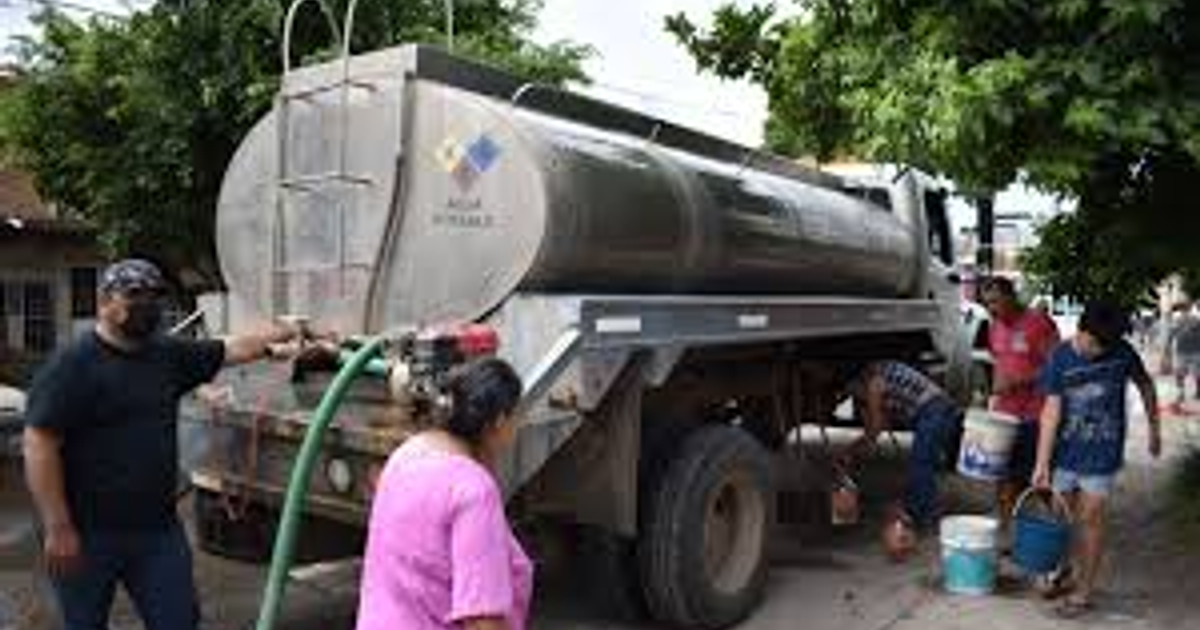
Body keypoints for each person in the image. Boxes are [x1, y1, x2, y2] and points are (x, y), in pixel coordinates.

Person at [22, 258, 307, 630]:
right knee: (85, 623)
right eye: (134, 294)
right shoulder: (72, 365)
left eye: (154, 295)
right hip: (88, 533)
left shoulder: (166, 355)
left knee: (178, 620)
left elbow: (231, 348)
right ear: (104, 302)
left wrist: (285, 332)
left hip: (156, 530)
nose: (146, 304)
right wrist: (58, 527)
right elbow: (39, 444)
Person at [356, 357, 532, 630]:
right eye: (517, 417)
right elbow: (482, 620)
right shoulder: (474, 489)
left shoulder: (406, 454)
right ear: (499, 422)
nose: (519, 426)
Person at [1032, 301, 1160, 618]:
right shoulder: (1060, 357)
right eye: (1094, 344)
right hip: (1064, 455)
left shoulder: (1122, 352)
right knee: (1059, 517)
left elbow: (1145, 384)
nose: (1099, 351)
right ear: (1081, 330)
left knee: (1090, 519)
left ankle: (1083, 593)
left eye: (1105, 347)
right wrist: (1042, 463)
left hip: (1102, 454)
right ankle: (1063, 571)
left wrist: (1154, 428)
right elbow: (1051, 411)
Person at [836, 361, 964, 552]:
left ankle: (920, 521)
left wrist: (850, 451)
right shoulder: (879, 373)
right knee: (922, 465)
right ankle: (921, 517)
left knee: (920, 466)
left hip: (935, 410)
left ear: (855, 383)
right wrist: (855, 451)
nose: (855, 397)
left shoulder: (874, 382)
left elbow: (875, 428)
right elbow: (875, 429)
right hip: (939, 409)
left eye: (853, 392)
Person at [978, 277, 1060, 534]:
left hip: (1035, 416)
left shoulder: (1039, 323)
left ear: (1011, 297)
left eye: (995, 302)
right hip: (1005, 417)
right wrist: (992, 400)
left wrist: (1019, 381)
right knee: (1002, 477)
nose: (991, 309)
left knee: (1039, 480)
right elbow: (1000, 364)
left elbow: (1057, 368)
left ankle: (1054, 529)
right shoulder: (994, 327)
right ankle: (1007, 533)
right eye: (986, 303)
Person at [1163, 303, 1200, 413]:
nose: (1184, 312)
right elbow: (1171, 334)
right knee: (1180, 373)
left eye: (1185, 310)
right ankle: (1181, 392)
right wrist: (1167, 349)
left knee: (1196, 373)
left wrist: (1167, 349)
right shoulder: (1178, 320)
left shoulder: (1196, 319)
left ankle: (1196, 391)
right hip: (1184, 351)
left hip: (1194, 350)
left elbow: (1171, 335)